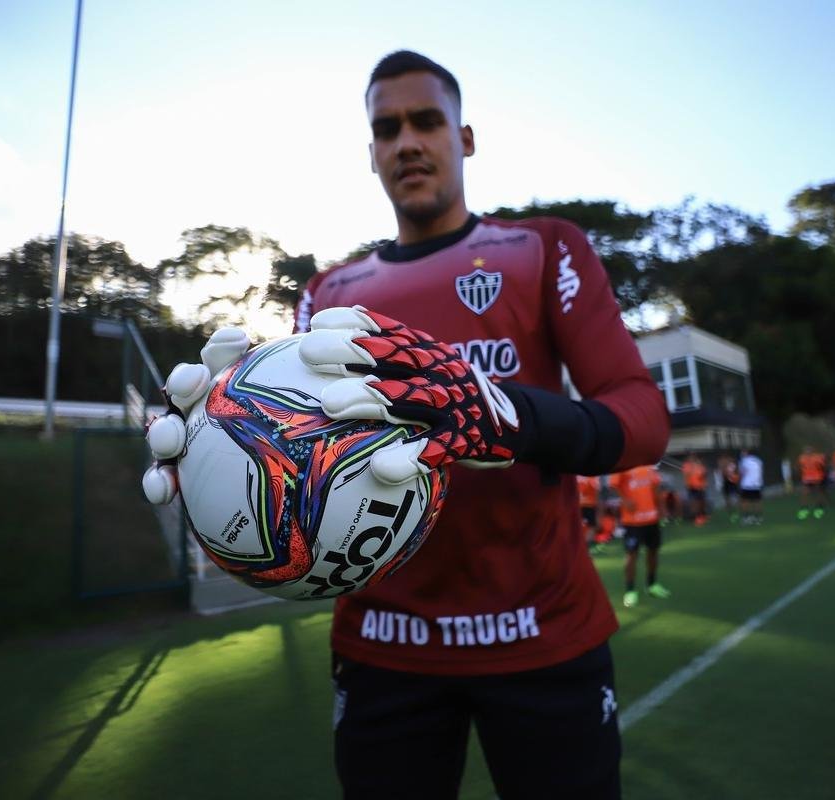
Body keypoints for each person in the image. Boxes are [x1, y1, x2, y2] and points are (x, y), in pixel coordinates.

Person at [252, 50, 665, 799]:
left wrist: (503, 415)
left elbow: (640, 414)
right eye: (387, 129)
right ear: (371, 154)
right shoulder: (329, 293)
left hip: (543, 633)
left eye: (426, 121)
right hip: (382, 643)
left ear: (464, 138)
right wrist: (229, 450)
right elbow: (300, 455)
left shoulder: (544, 247)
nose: (407, 141)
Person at [608, 464, 668, 607]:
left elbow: (656, 487)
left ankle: (652, 584)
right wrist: (625, 500)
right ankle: (630, 590)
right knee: (631, 555)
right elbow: (614, 485)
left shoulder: (649, 466)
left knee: (653, 552)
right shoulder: (624, 463)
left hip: (652, 519)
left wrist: (661, 508)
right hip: (632, 522)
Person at [796, 445, 828, 520]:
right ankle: (804, 508)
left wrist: (822, 475)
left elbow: (823, 467)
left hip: (817, 478)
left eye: (809, 450)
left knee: (817, 493)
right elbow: (799, 467)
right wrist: (800, 474)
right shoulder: (801, 458)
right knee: (804, 493)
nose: (808, 451)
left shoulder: (818, 457)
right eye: (806, 450)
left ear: (812, 451)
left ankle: (819, 507)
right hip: (806, 479)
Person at [738, 448, 764, 525]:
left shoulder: (743, 461)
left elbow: (741, 473)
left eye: (743, 453)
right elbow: (760, 471)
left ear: (746, 453)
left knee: (744, 502)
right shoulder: (758, 460)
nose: (742, 455)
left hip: (746, 485)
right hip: (757, 484)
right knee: (757, 502)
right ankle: (758, 518)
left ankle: (746, 518)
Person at [682, 452, 709, 525]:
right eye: (690, 457)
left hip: (700, 486)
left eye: (693, 457)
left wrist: (698, 467)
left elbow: (704, 474)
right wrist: (692, 468)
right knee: (694, 503)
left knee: (701, 502)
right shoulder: (686, 465)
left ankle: (702, 516)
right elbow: (687, 475)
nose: (692, 458)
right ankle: (695, 517)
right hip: (691, 487)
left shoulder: (699, 464)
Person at [578, 474, 603, 554]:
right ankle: (585, 547)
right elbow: (597, 488)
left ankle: (580, 547)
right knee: (592, 526)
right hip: (588, 504)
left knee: (578, 526)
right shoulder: (591, 474)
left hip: (576, 504)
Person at [718, 452, 740, 522]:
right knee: (727, 499)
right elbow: (721, 473)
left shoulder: (730, 462)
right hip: (726, 482)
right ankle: (732, 513)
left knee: (734, 498)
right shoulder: (722, 462)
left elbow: (734, 471)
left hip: (731, 481)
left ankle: (735, 513)